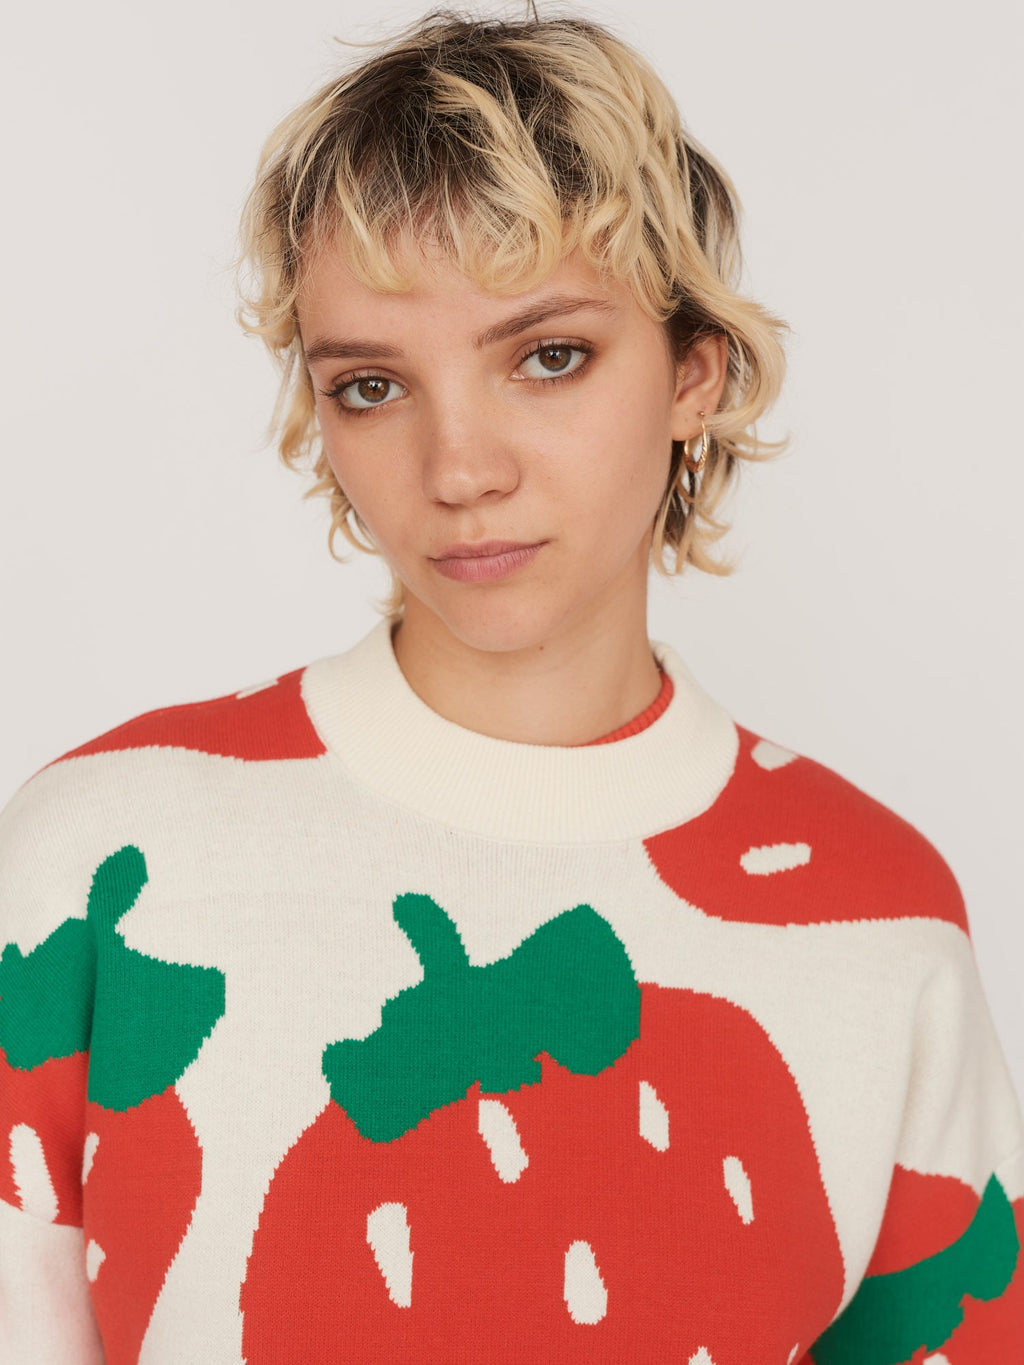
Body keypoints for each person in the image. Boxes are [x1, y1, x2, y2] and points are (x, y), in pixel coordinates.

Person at [1, 6, 1021, 1362]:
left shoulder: (876, 917)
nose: (459, 468)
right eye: (373, 386)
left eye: (548, 357)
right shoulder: (101, 861)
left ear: (694, 374)